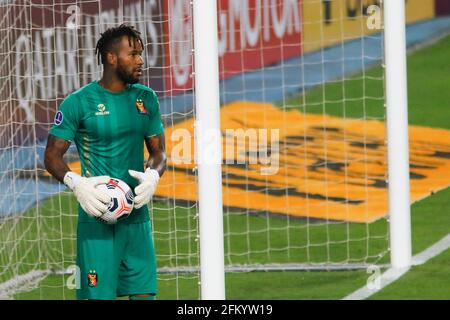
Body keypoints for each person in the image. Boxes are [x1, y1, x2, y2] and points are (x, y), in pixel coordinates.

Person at [44, 24, 166, 300]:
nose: (140, 60)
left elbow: (159, 152)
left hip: (137, 220)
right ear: (111, 58)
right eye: (133, 54)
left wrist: (153, 175)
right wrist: (77, 184)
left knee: (145, 295)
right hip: (97, 221)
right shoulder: (79, 102)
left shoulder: (146, 99)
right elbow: (51, 156)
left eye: (141, 54)